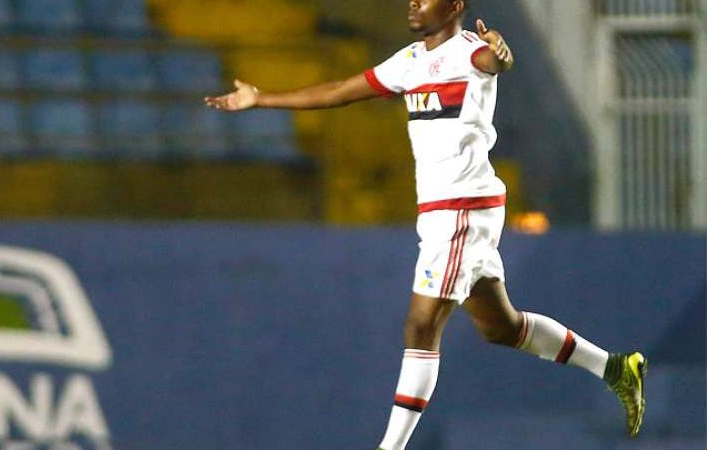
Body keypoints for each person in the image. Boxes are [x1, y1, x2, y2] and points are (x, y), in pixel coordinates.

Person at [204, 0, 647, 448]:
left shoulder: (471, 53)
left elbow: (496, 58)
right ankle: (616, 367)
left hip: (461, 208)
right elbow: (340, 90)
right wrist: (261, 98)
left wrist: (500, 50)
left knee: (421, 325)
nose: (414, 2)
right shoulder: (411, 61)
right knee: (502, 328)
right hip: (444, 210)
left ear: (455, 5)